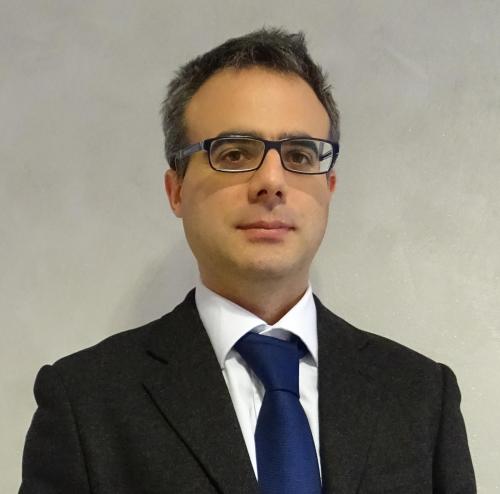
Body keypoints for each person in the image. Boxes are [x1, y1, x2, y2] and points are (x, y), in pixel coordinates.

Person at [20, 28, 476, 493]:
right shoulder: (85, 403)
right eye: (235, 153)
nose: (271, 182)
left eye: (299, 155)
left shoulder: (422, 395)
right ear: (176, 190)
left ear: (329, 189)